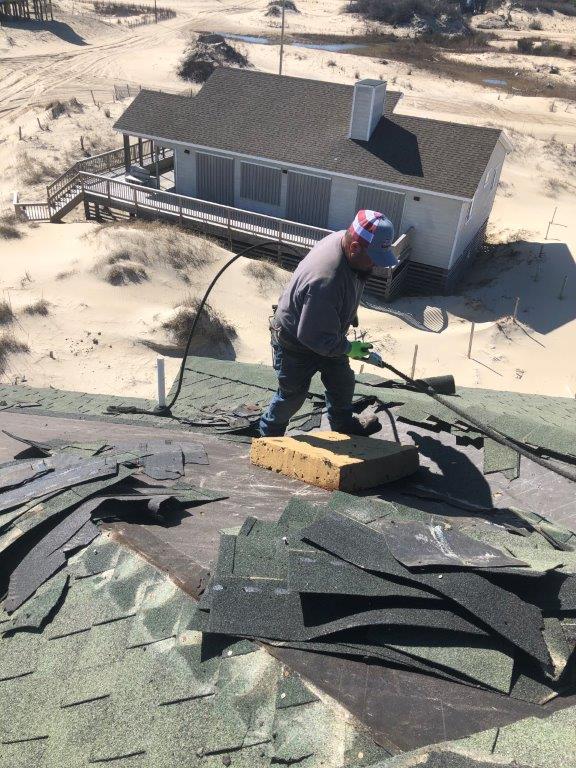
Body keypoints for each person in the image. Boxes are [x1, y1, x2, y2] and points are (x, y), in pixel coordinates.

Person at [259, 210, 397, 438]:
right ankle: (268, 435)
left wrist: (348, 316)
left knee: (342, 382)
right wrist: (348, 349)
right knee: (292, 395)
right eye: (373, 259)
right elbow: (313, 336)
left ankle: (342, 425)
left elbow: (349, 286)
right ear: (354, 248)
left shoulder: (346, 242)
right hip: (295, 342)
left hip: (326, 333)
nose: (376, 266)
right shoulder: (326, 279)